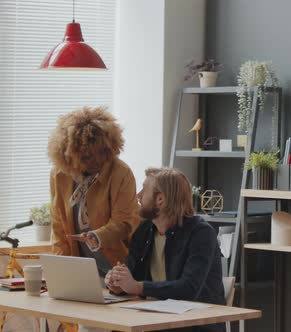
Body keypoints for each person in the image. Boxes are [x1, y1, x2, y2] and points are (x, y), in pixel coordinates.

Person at [106, 167, 225, 332]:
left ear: (160, 199)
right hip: (153, 319)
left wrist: (137, 287)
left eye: (144, 190)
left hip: (191, 326)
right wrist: (117, 283)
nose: (138, 196)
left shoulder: (201, 233)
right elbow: (133, 276)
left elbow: (189, 289)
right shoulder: (144, 230)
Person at [47, 106, 140, 277]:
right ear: (70, 154)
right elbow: (59, 227)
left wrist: (96, 236)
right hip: (81, 271)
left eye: (102, 153)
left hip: (119, 269)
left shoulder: (121, 173)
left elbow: (124, 223)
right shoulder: (59, 175)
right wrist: (61, 271)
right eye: (87, 156)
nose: (96, 161)